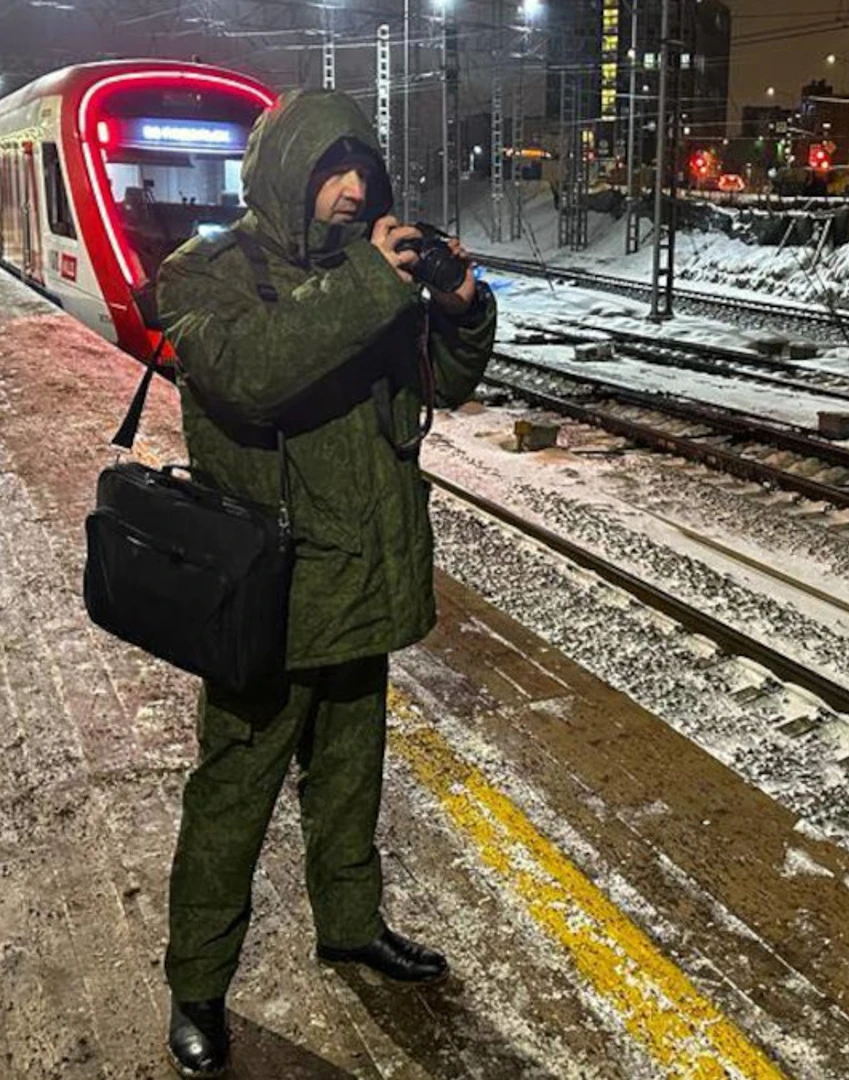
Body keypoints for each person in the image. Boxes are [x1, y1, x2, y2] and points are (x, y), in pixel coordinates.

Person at [154, 89, 495, 1079]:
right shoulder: (206, 275)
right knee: (234, 797)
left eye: (363, 172)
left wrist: (461, 310)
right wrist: (370, 285)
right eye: (330, 171)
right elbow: (254, 374)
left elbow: (448, 386)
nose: (352, 191)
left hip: (363, 579)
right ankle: (199, 988)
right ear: (284, 174)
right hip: (268, 595)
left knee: (351, 778)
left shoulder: (373, 273)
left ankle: (350, 925)